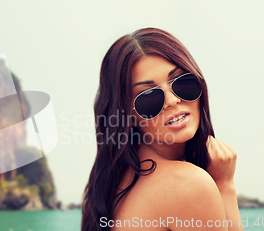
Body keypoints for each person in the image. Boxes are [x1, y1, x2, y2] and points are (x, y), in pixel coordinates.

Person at [81, 28, 243, 231]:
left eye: (182, 82)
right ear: (127, 115)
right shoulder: (188, 184)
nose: (173, 101)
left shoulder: (112, 183)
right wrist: (225, 185)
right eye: (148, 97)